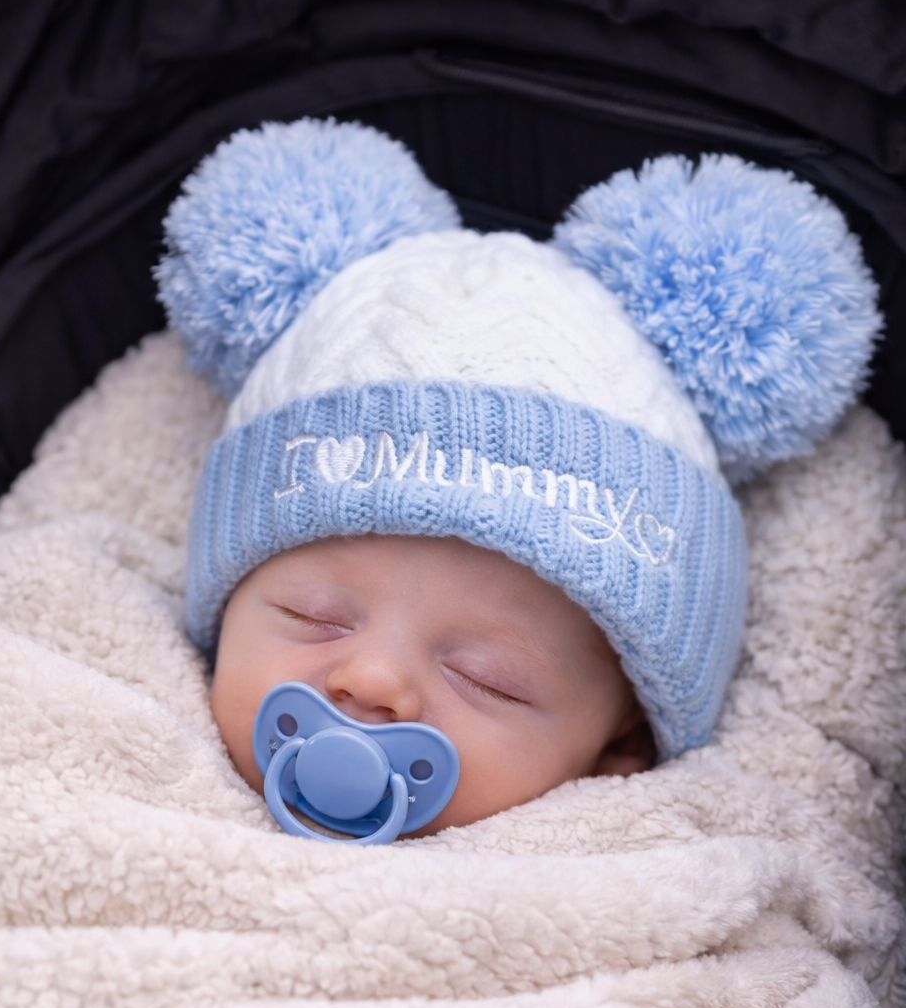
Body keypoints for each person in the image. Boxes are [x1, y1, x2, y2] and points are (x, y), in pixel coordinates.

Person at [157, 117, 879, 836]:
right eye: (312, 618)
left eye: (486, 680)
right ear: (220, 618)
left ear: (619, 748)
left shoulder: (671, 869)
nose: (372, 681)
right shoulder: (133, 745)